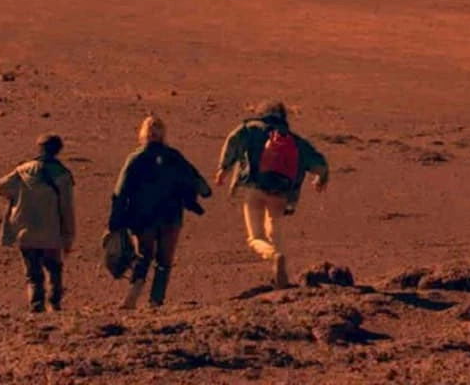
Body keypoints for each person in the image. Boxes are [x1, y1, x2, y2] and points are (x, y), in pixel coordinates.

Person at [213, 101, 329, 289]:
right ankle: (281, 273)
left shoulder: (251, 129)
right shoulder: (295, 140)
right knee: (275, 229)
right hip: (280, 193)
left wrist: (223, 169)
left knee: (255, 237)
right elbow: (320, 164)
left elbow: (233, 141)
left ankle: (274, 256)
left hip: (254, 189)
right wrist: (321, 179)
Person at [107, 116, 213, 309]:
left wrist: (115, 221)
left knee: (144, 256)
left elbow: (120, 192)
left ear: (143, 133)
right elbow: (196, 179)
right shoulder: (174, 157)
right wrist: (203, 193)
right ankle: (156, 301)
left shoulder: (136, 158)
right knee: (164, 261)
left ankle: (133, 295)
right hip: (171, 217)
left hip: (143, 218)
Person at [0, 134, 76, 313]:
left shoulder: (22, 170)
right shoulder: (62, 174)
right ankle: (54, 304)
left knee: (33, 273)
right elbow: (66, 209)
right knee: (54, 269)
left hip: (26, 231)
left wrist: (17, 196)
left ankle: (36, 305)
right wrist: (69, 235)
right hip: (52, 232)